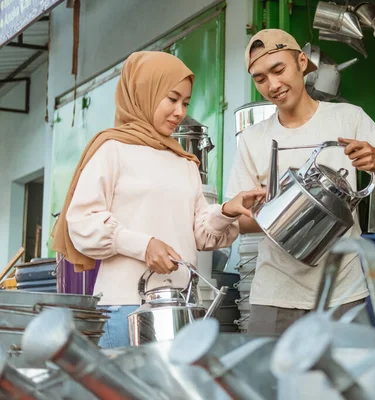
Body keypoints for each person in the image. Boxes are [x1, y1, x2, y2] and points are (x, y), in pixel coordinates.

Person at [51, 51, 265, 348]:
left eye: (186, 102)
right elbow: (82, 223)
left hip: (181, 310)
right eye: (172, 98)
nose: (179, 111)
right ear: (144, 92)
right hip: (124, 308)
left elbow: (201, 235)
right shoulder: (112, 149)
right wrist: (143, 245)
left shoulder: (185, 163)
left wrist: (227, 211)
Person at [226, 29, 375, 335]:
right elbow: (240, 223)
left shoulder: (347, 118)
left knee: (345, 380)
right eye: (260, 78)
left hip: (343, 291)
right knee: (269, 381)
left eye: (279, 70)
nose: (273, 85)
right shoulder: (253, 139)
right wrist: (276, 211)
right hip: (275, 293)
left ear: (301, 62)